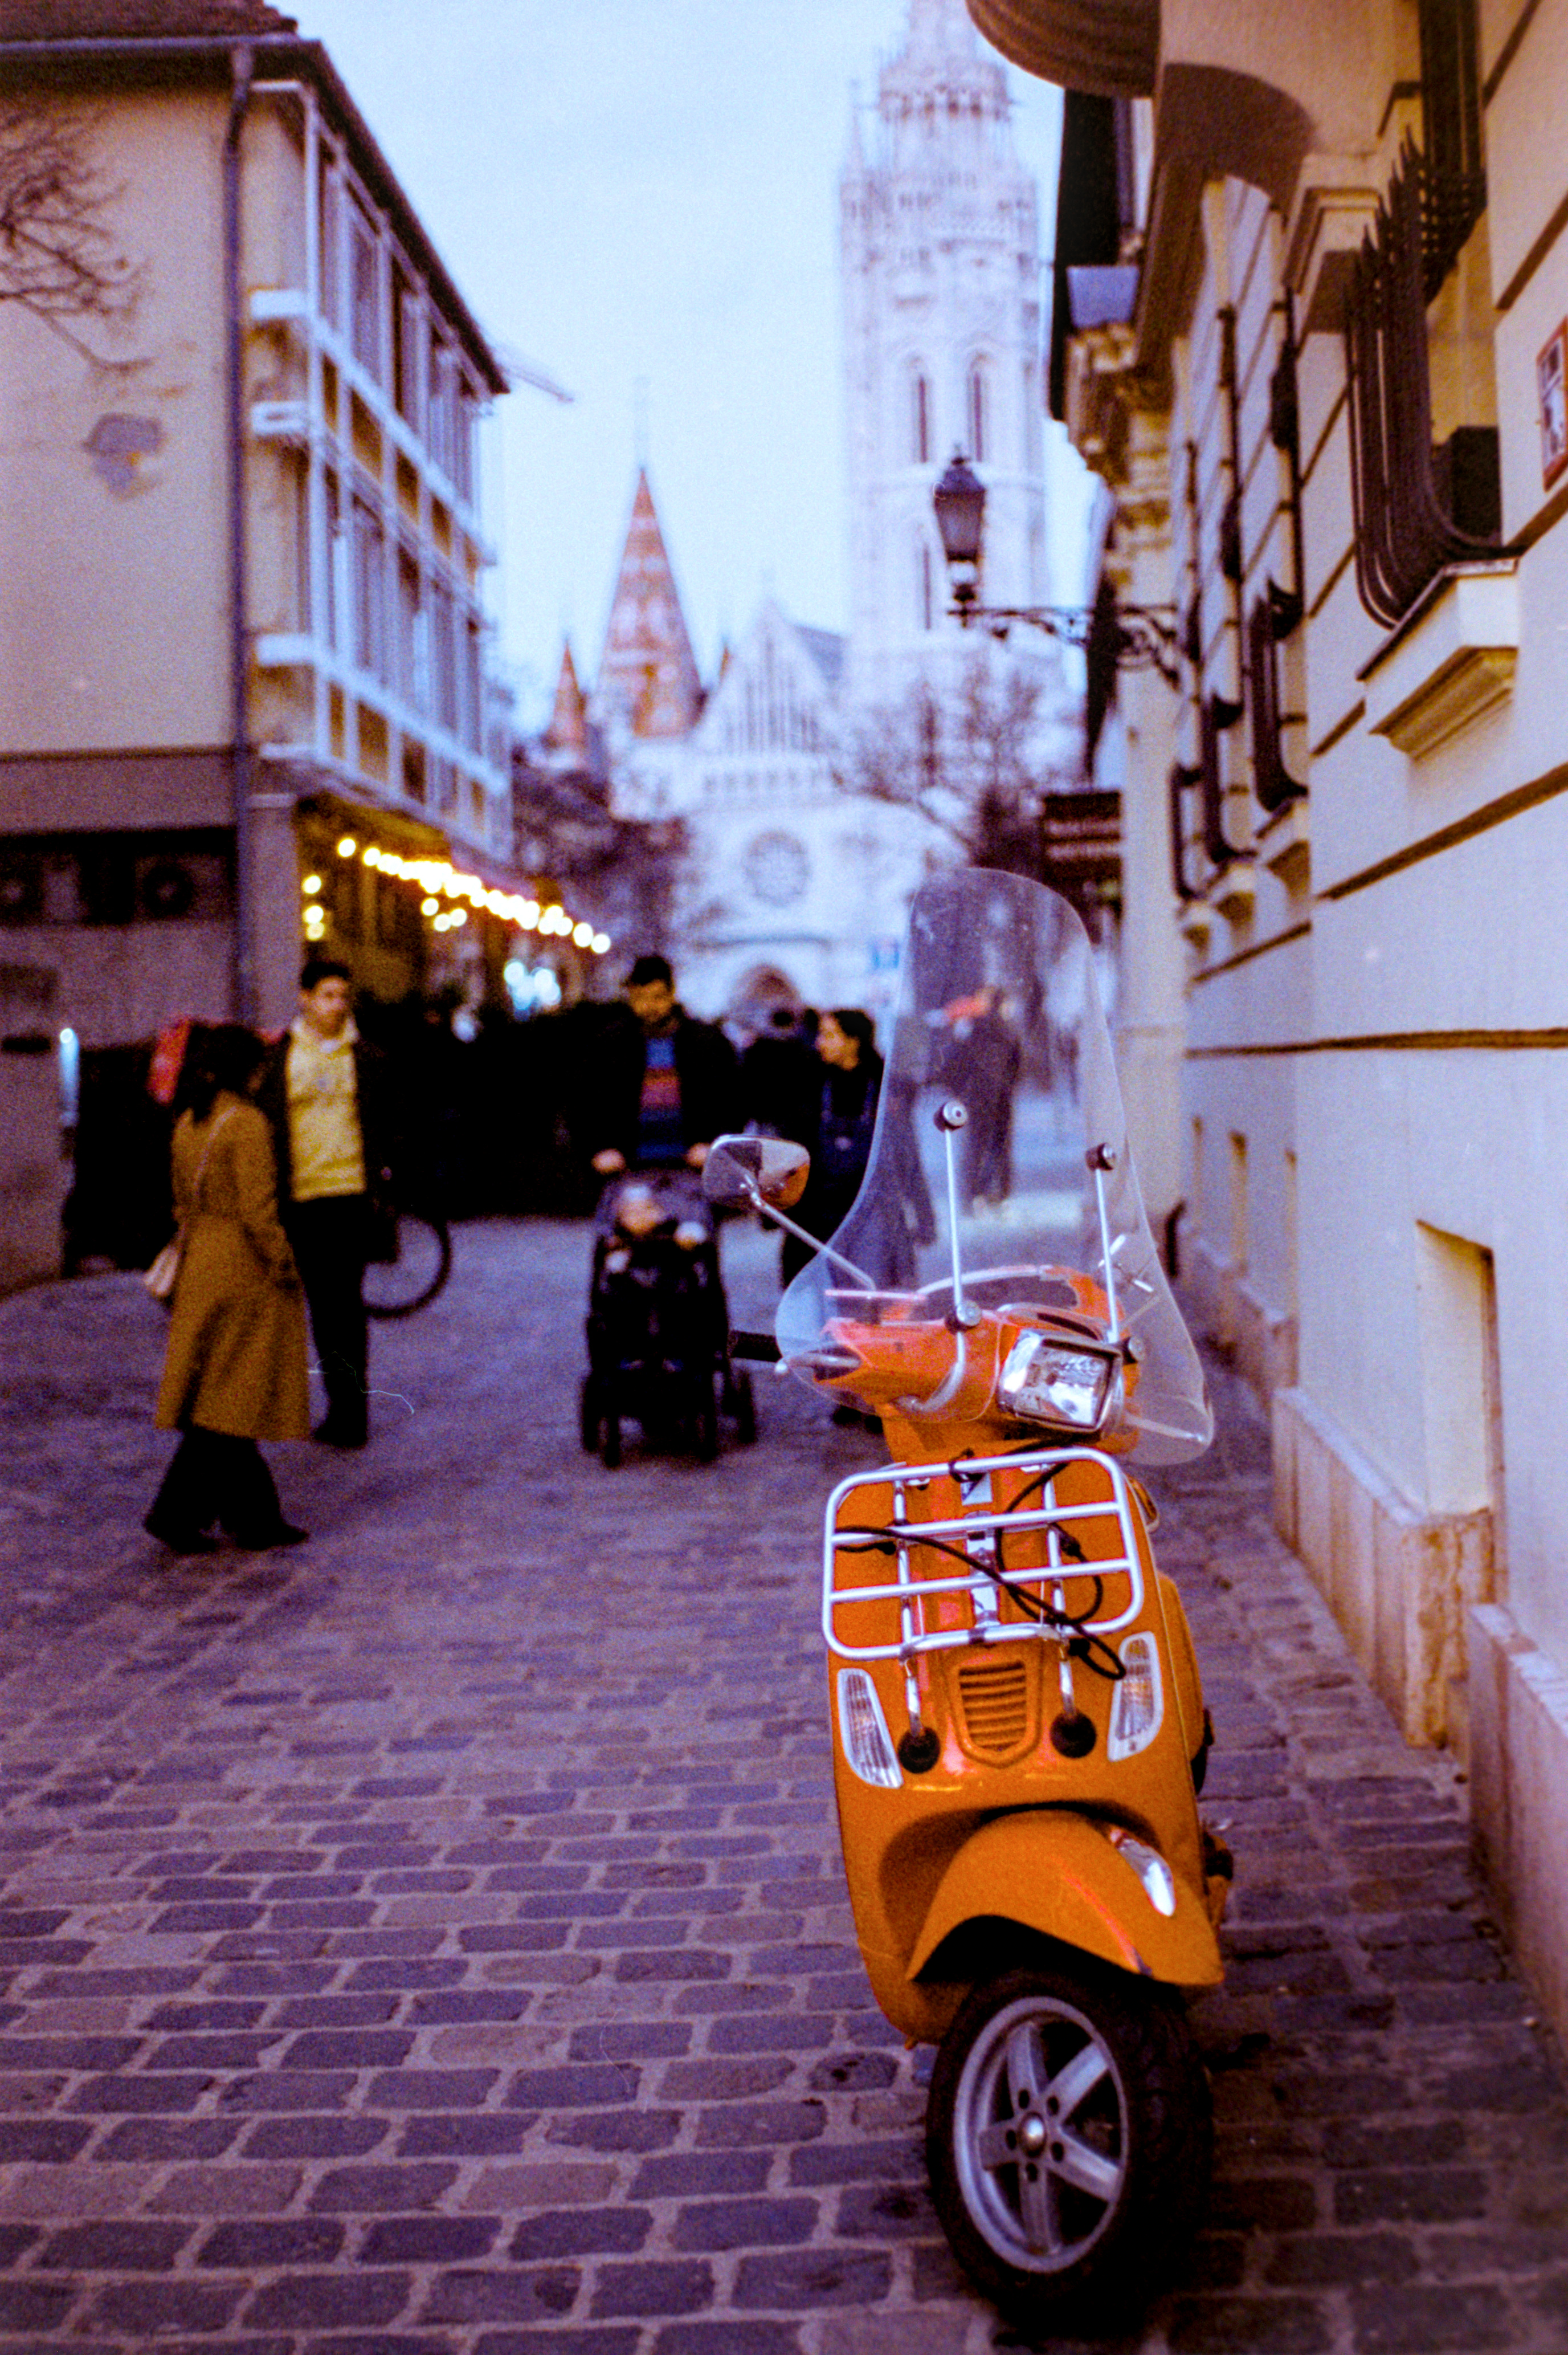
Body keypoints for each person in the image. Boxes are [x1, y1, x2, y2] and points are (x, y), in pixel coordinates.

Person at [145, 1025, 310, 1554]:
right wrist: (285, 1265)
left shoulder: (189, 1121)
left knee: (222, 1395)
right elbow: (259, 1213)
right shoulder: (248, 1124)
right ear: (249, 1070)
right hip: (243, 1269)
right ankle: (180, 1514)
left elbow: (179, 1202)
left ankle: (253, 1517)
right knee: (233, 1397)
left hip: (202, 1262)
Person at [256, 956, 397, 1449]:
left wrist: (385, 1182)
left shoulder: (366, 1057)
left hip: (350, 1196)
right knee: (321, 1308)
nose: (337, 1006)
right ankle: (336, 1406)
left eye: (343, 997)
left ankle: (351, 1413)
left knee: (347, 1310)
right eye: (327, 996)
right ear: (305, 998)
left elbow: (387, 1124)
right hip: (302, 1198)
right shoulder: (280, 1058)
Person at [582, 953, 740, 1178]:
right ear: (630, 996)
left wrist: (714, 1144)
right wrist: (598, 1149)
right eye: (641, 998)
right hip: (625, 1167)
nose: (650, 1006)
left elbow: (733, 1098)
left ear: (672, 994)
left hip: (694, 1166)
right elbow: (586, 1101)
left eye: (658, 997)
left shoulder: (708, 1042)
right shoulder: (608, 1044)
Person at [780, 1007, 884, 1286]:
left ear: (853, 1041)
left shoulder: (882, 1085)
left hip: (866, 1211)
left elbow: (902, 1150)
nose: (819, 1043)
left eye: (829, 1036)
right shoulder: (810, 1082)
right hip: (816, 1211)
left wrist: (923, 1215)